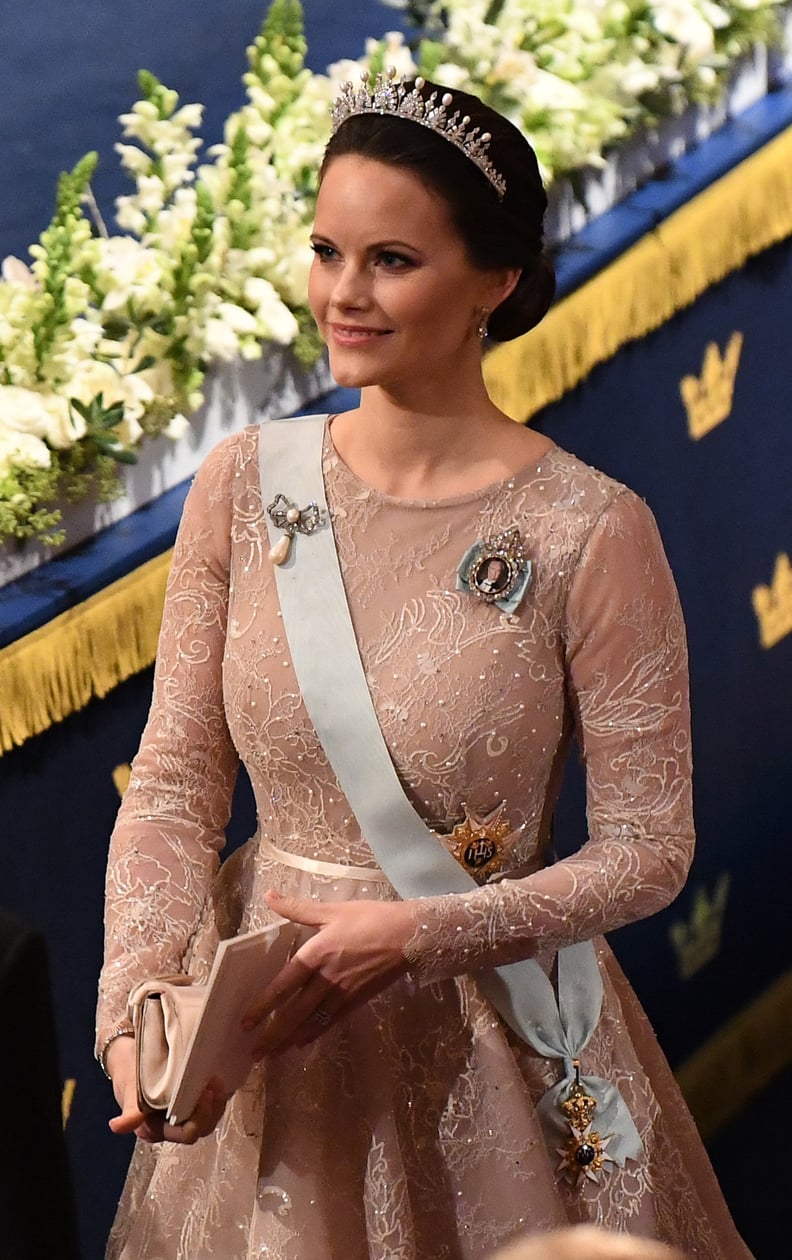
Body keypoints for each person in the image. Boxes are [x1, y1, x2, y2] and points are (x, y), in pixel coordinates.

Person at [96, 74, 752, 1258]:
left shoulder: (589, 531)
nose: (342, 295)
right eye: (325, 250)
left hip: (491, 1038)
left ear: (495, 283)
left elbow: (651, 852)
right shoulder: (245, 487)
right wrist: (138, 1005)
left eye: (392, 260)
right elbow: (176, 783)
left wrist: (419, 935)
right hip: (265, 1032)